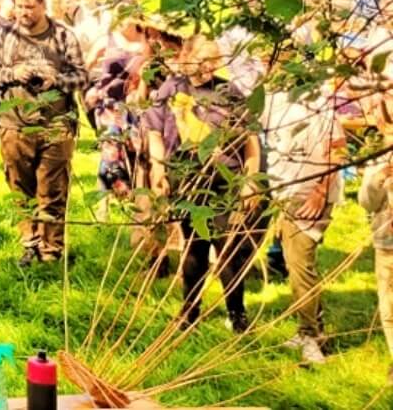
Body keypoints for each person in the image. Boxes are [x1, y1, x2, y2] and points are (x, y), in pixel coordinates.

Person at [146, 35, 263, 333]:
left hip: (226, 182)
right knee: (194, 248)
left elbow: (251, 139)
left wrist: (250, 180)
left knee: (228, 247)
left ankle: (237, 313)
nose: (210, 68)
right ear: (186, 55)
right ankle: (189, 312)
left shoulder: (228, 91)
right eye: (204, 61)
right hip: (188, 181)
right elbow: (154, 133)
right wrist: (158, 168)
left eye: (215, 61)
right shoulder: (171, 89)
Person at [0, 0, 88, 266]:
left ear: (43, 5)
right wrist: (15, 73)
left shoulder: (63, 36)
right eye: (19, 6)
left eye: (30, 7)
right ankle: (29, 243)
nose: (23, 13)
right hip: (14, 123)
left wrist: (57, 79)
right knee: (20, 188)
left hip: (57, 124)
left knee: (52, 188)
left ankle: (52, 251)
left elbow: (82, 76)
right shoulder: (4, 36)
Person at [262, 78, 344, 364]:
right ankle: (310, 329)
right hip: (285, 194)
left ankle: (311, 337)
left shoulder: (319, 103)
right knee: (294, 266)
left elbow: (337, 150)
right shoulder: (274, 99)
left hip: (309, 195)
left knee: (301, 268)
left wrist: (320, 193)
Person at [358, 93, 393, 385]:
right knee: (389, 306)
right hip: (386, 243)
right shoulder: (379, 156)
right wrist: (376, 180)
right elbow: (367, 203)